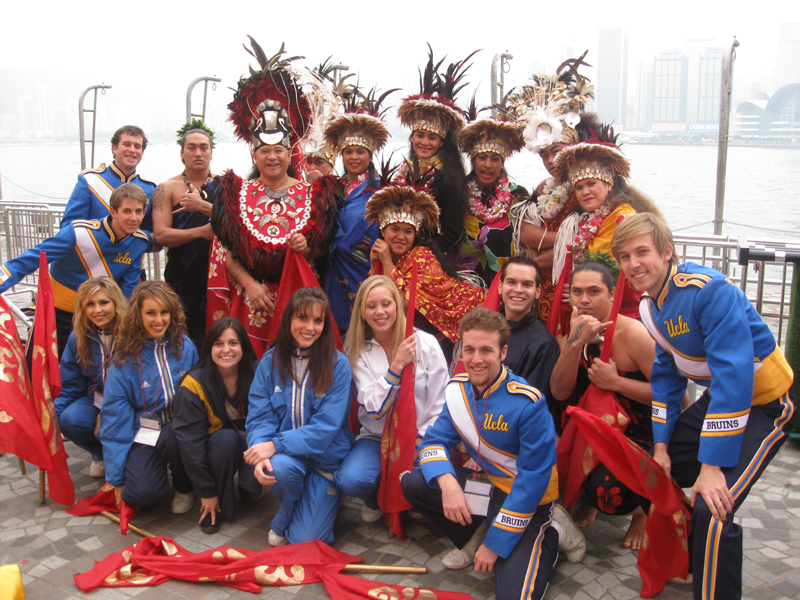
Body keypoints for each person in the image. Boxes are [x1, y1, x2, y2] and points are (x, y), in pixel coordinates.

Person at [612, 213, 795, 600]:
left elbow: (734, 376)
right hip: (722, 399)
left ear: (666, 251)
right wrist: (661, 447)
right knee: (657, 472)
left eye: (642, 252)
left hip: (766, 404)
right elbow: (666, 379)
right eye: (624, 256)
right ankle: (689, 560)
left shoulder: (709, 291)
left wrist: (711, 468)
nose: (633, 264)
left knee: (712, 511)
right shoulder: (650, 305)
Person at [401, 307, 585, 597]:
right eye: (469, 349)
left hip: (526, 499)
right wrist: (448, 483)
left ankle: (553, 532)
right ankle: (477, 532)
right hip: (487, 487)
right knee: (414, 481)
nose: (476, 359)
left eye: (486, 350)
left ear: (503, 353)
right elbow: (433, 443)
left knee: (514, 595)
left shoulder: (528, 402)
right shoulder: (458, 391)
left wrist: (495, 544)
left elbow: (532, 482)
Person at [208, 40, 334, 357]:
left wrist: (309, 247)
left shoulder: (314, 193)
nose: (272, 157)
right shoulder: (236, 194)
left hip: (300, 300)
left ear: (289, 151)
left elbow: (323, 249)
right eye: (265, 151)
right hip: (251, 300)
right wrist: (251, 285)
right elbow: (229, 255)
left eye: (278, 150)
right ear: (255, 153)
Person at [549, 260, 656, 549]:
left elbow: (676, 398)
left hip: (634, 433)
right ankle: (587, 500)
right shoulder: (572, 332)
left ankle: (640, 514)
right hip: (587, 429)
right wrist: (574, 343)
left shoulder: (633, 334)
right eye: (578, 292)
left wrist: (617, 382)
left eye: (594, 292)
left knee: (608, 492)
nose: (584, 300)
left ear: (611, 294)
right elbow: (559, 391)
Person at [244, 287, 353, 546]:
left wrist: (274, 445)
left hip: (324, 462)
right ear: (289, 320)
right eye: (302, 318)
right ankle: (292, 501)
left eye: (318, 321)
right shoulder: (269, 362)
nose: (310, 327)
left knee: (307, 540)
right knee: (277, 467)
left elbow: (326, 427)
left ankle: (300, 508)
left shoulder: (338, 364)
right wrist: (260, 450)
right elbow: (259, 416)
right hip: (288, 460)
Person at [335, 275, 448, 522]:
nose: (380, 312)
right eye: (371, 306)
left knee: (422, 480)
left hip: (421, 436)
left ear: (397, 304)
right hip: (377, 437)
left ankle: (411, 501)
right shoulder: (357, 350)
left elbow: (441, 402)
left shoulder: (426, 343)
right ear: (362, 312)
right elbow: (374, 408)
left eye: (386, 304)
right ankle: (376, 499)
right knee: (350, 479)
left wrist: (422, 438)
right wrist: (396, 366)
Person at [0, 183, 155, 357]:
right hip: (58, 314)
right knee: (36, 369)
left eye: (139, 211)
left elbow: (129, 289)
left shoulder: (139, 242)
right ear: (113, 211)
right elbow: (29, 260)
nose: (134, 218)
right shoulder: (78, 233)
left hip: (99, 317)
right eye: (127, 211)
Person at [502, 54, 594, 323]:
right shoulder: (545, 187)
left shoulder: (587, 187)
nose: (551, 161)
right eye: (544, 155)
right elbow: (526, 232)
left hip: (572, 286)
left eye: (557, 151)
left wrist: (546, 253)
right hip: (544, 286)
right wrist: (569, 240)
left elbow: (589, 242)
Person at [99, 281, 198, 513]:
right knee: (142, 494)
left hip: (179, 428)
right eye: (150, 313)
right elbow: (115, 420)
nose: (159, 320)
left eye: (164, 312)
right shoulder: (123, 359)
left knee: (174, 436)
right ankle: (156, 477)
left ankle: (184, 487)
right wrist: (116, 479)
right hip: (145, 431)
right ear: (138, 315)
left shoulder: (186, 346)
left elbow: (198, 395)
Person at [546, 142, 662, 334]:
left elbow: (603, 266)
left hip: (621, 313)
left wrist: (576, 288)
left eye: (591, 184)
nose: (585, 192)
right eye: (579, 187)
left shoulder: (622, 217)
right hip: (595, 305)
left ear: (609, 185)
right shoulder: (595, 216)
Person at [365, 184, 485, 359]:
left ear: (415, 234)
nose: (401, 236)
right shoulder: (385, 254)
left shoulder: (422, 257)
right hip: (418, 334)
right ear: (383, 231)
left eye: (408, 231)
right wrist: (375, 263)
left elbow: (402, 305)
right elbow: (373, 294)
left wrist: (386, 262)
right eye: (394, 230)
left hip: (452, 329)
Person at [171, 317, 261, 534]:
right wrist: (206, 491)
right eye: (218, 343)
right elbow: (191, 445)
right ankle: (215, 506)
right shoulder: (193, 384)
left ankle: (248, 486)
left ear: (243, 346)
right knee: (226, 440)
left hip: (252, 444)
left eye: (233, 343)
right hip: (215, 446)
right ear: (209, 347)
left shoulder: (257, 373)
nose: (226, 350)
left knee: (252, 489)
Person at [396, 46, 476, 255]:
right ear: (411, 137)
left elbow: (453, 231)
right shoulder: (403, 172)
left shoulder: (448, 178)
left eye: (432, 138)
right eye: (419, 136)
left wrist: (421, 253)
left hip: (431, 258)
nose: (425, 142)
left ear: (441, 142)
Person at [319, 104, 389, 334]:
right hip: (335, 269)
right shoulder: (332, 188)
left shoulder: (382, 192)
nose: (354, 157)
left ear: (370, 155)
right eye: (348, 151)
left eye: (360, 152)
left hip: (367, 268)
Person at [55, 277, 127, 479]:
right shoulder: (77, 337)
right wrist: (50, 416)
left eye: (104, 302)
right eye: (90, 304)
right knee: (69, 419)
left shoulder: (132, 334)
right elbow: (70, 385)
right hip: (96, 397)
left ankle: (131, 455)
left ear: (116, 303)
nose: (98, 310)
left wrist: (108, 411)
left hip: (129, 402)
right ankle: (100, 453)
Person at [152, 122, 217, 348]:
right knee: (180, 339)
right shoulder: (166, 188)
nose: (198, 153)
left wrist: (202, 207)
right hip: (180, 277)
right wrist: (201, 232)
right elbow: (160, 235)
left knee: (217, 336)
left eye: (203, 147)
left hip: (218, 277)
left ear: (211, 152)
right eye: (191, 148)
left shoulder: (227, 185)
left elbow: (238, 225)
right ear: (182, 153)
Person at [452, 118, 528, 285]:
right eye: (482, 158)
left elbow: (526, 235)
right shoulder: (458, 194)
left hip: (508, 280)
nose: (488, 165)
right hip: (465, 280)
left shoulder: (517, 194)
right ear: (473, 161)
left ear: (502, 162)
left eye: (494, 159)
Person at [61, 125, 155, 231]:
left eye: (137, 146)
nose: (132, 150)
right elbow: (68, 227)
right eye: (127, 145)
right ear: (114, 148)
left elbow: (152, 234)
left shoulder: (149, 189)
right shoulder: (90, 181)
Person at [498, 256, 559, 404]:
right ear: (500, 287)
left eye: (526, 284)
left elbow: (530, 403)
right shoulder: (487, 331)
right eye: (511, 282)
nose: (518, 290)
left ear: (538, 291)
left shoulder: (544, 344)